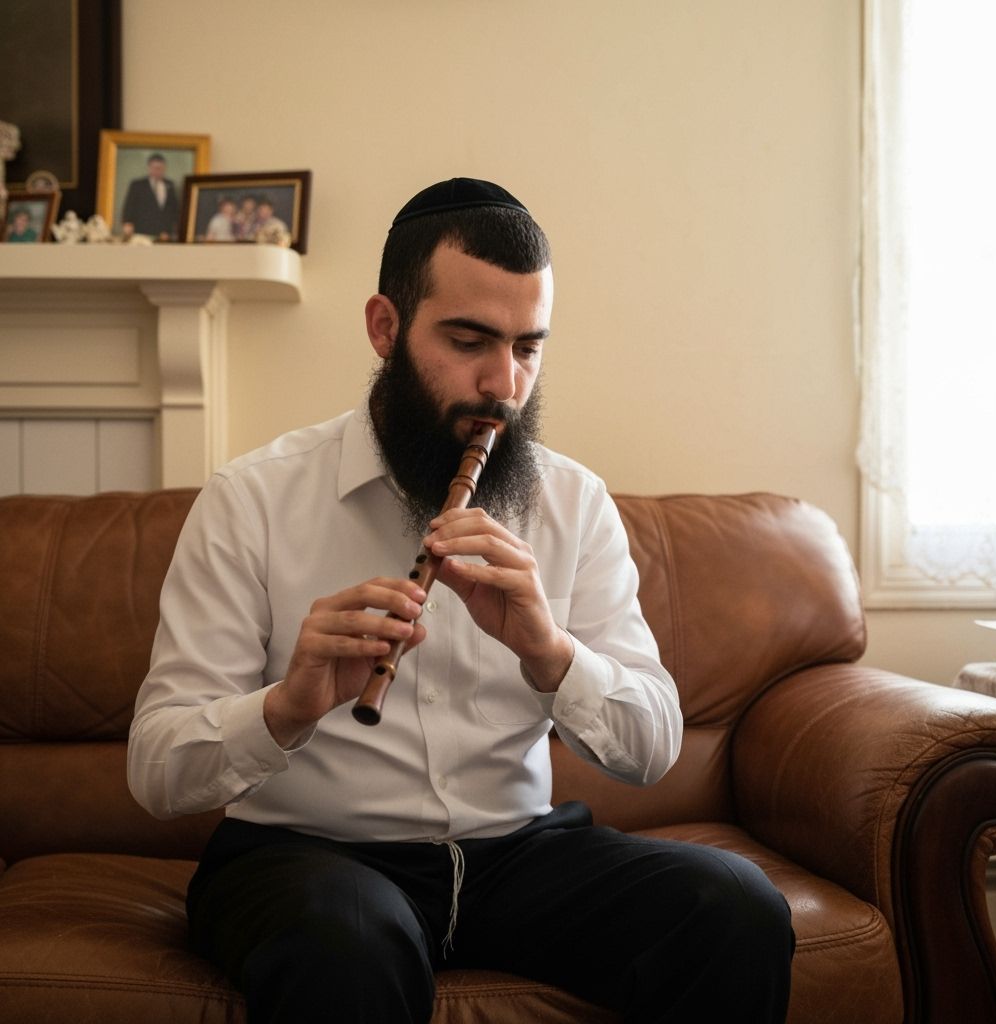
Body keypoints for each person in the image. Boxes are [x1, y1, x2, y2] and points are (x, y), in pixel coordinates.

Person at [128, 177, 793, 1024]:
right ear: (384, 327)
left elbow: (652, 746)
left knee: (734, 905)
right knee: (347, 942)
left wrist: (550, 652)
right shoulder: (250, 499)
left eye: (528, 347)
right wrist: (288, 706)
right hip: (310, 857)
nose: (503, 385)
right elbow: (155, 767)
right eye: (470, 340)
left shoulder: (575, 504)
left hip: (518, 857)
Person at [121, 152, 179, 239]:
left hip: (164, 233)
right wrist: (127, 222)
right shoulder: (138, 185)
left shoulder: (170, 185)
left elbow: (173, 209)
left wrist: (171, 229)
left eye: (160, 168)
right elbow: (129, 205)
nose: (157, 171)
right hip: (142, 230)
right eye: (155, 168)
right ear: (149, 168)